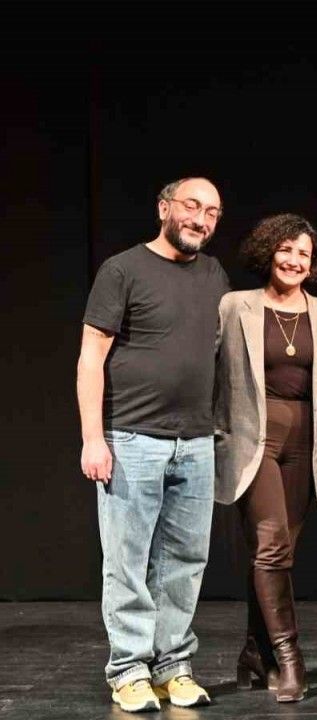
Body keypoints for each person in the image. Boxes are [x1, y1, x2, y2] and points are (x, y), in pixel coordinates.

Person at [77, 177, 229, 712]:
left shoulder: (214, 274)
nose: (201, 219)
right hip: (131, 438)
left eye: (212, 212)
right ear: (164, 207)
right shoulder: (122, 270)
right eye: (192, 205)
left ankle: (172, 666)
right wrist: (92, 438)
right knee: (127, 561)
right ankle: (128, 669)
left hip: (196, 440)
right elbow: (91, 356)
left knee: (185, 561)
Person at [214, 213, 317, 702]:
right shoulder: (235, 306)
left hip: (306, 442)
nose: (293, 260)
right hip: (255, 439)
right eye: (286, 249)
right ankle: (290, 658)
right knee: (270, 547)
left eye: (303, 253)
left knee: (277, 555)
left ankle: (254, 650)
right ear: (269, 252)